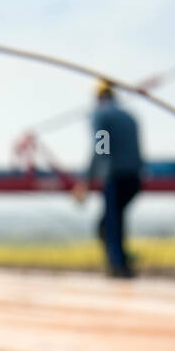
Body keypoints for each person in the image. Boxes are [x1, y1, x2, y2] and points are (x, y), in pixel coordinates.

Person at [72, 81, 142, 278]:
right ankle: (122, 261)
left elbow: (101, 149)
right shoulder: (130, 117)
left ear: (98, 98)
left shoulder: (101, 116)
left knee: (110, 224)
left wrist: (85, 181)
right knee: (114, 221)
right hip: (134, 178)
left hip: (115, 177)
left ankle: (118, 266)